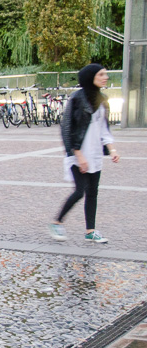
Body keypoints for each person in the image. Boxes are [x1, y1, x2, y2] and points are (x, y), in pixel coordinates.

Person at [50, 63, 120, 244]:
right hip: (78, 154)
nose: (105, 78)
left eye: (105, 74)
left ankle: (90, 231)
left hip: (95, 154)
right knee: (80, 191)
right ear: (91, 77)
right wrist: (78, 154)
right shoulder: (77, 98)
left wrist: (112, 150)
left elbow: (104, 129)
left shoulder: (103, 99)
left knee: (92, 192)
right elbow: (67, 128)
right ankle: (57, 222)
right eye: (101, 75)